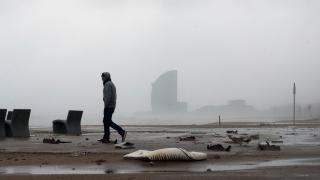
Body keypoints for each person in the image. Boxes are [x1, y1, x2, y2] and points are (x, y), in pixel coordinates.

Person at [98, 72, 126, 144]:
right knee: (106, 121)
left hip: (109, 106)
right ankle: (106, 137)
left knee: (108, 121)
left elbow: (108, 96)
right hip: (112, 106)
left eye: (103, 77)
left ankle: (122, 132)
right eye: (101, 77)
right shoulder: (111, 84)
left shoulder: (107, 84)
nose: (102, 78)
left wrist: (106, 105)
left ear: (106, 77)